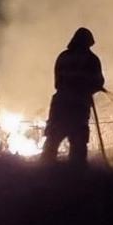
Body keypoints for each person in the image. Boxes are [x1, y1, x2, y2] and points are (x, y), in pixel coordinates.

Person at [41, 27, 105, 165]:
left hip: (60, 104)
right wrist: (89, 87)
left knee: (53, 139)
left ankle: (44, 170)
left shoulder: (63, 57)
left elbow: (57, 83)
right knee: (78, 142)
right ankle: (76, 174)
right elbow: (98, 82)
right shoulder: (92, 59)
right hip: (79, 106)